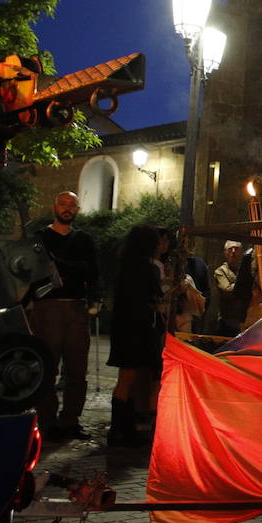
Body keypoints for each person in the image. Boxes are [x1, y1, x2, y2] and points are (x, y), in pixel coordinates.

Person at [33, 191, 100, 442]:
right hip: (48, 306)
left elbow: (91, 271)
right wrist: (76, 268)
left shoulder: (84, 239)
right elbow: (37, 270)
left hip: (76, 307)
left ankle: (71, 419)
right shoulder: (41, 237)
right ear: (54, 206)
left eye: (72, 205)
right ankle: (46, 420)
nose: (67, 208)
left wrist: (61, 264)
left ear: (78, 209)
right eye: (63, 203)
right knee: (47, 365)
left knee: (76, 368)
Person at [107, 224, 165, 448]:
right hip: (138, 328)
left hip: (123, 326)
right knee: (133, 377)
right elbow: (155, 296)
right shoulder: (146, 269)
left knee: (126, 377)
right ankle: (120, 429)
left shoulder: (124, 267)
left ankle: (122, 426)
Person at [213, 240, 247, 336]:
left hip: (243, 323)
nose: (233, 252)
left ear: (241, 252)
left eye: (236, 249)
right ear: (225, 253)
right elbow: (228, 291)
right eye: (230, 249)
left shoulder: (246, 271)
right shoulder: (220, 272)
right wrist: (244, 282)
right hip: (227, 323)